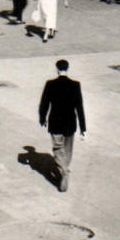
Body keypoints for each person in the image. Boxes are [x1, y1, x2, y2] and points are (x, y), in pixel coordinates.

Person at [38, 59, 86, 192]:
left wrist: (42, 118)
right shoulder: (75, 85)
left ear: (57, 69)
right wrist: (83, 128)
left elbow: (44, 103)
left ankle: (64, 171)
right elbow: (79, 107)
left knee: (58, 148)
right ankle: (65, 169)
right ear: (68, 68)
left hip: (55, 122)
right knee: (68, 149)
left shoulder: (50, 84)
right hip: (70, 122)